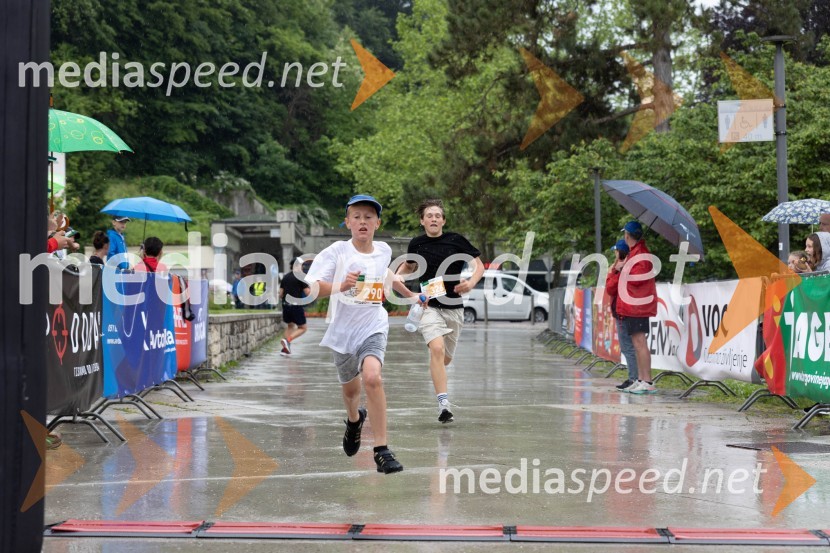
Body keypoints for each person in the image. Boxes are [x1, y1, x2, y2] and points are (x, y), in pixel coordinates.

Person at [304, 194, 420, 474]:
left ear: (377, 223)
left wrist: (411, 294)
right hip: (343, 331)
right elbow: (310, 288)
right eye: (356, 217)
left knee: (372, 377)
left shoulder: (383, 251)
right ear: (347, 223)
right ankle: (354, 421)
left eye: (368, 217)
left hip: (373, 324)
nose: (362, 221)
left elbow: (387, 277)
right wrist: (342, 285)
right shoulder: (336, 252)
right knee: (351, 391)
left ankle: (381, 450)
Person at [395, 199, 484, 423]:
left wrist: (471, 283)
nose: (433, 218)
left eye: (437, 215)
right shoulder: (416, 244)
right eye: (429, 215)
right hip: (429, 305)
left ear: (443, 220)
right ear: (422, 220)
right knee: (436, 349)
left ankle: (438, 371)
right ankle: (444, 405)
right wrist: (398, 276)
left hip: (454, 307)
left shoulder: (456, 240)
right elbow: (409, 266)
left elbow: (478, 266)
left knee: (445, 358)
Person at [614, 221, 658, 394]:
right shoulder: (635, 253)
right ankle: (641, 379)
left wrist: (624, 269)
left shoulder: (641, 254)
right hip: (632, 305)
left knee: (640, 343)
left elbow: (639, 278)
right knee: (637, 343)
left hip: (637, 305)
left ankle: (647, 380)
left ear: (627, 235)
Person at [605, 239, 640, 392]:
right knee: (629, 347)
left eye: (616, 250)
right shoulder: (625, 267)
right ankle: (633, 377)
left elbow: (611, 288)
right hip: (623, 309)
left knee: (627, 347)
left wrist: (615, 271)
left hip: (623, 311)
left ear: (620, 252)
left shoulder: (623, 269)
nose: (614, 253)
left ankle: (634, 378)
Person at [279, 258, 311, 356]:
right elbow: (308, 293)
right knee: (303, 328)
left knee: (290, 325)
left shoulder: (285, 277)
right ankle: (287, 340)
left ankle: (285, 349)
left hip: (285, 306)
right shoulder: (301, 277)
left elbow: (280, 294)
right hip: (296, 306)